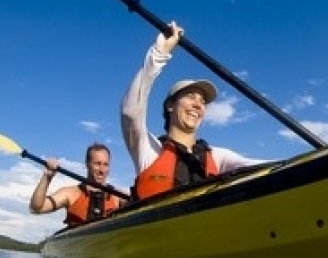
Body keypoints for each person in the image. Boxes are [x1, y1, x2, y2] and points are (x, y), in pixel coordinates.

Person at [121, 21, 264, 200]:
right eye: (190, 96)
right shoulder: (148, 150)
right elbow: (130, 112)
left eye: (202, 101)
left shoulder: (218, 157)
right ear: (170, 105)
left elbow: (262, 167)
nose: (198, 105)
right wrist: (159, 53)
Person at [29, 143, 127, 226]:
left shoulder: (118, 196)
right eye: (97, 164)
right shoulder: (70, 193)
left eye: (106, 164)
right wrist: (47, 177)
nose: (102, 170)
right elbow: (37, 208)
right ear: (87, 164)